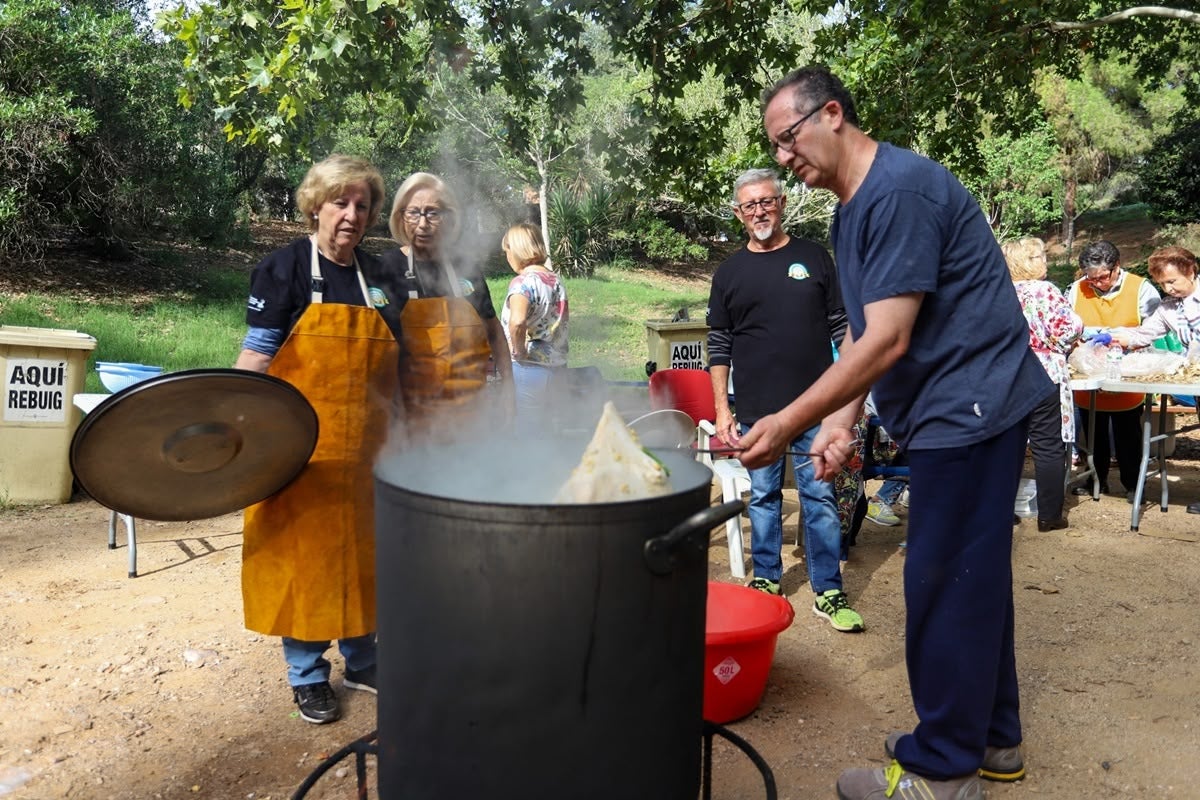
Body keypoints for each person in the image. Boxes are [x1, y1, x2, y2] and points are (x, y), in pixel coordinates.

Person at [744, 66, 1053, 798]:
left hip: (972, 411)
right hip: (952, 414)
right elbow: (863, 328)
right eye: (775, 146)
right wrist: (840, 423)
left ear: (833, 115)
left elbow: (887, 339)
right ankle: (990, 738)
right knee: (972, 581)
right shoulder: (851, 211)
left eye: (788, 138)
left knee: (942, 584)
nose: (783, 157)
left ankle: (943, 770)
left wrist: (790, 420)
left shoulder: (899, 193)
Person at [233, 154, 401, 724]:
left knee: (366, 556)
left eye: (362, 204)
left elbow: (396, 365)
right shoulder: (282, 269)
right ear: (315, 206)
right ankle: (306, 673)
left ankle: (363, 661)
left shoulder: (379, 277)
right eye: (340, 202)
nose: (352, 214)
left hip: (370, 452)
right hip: (301, 451)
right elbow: (258, 356)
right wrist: (236, 431)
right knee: (304, 559)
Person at [706, 166, 863, 633]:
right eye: (750, 205)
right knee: (763, 496)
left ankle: (828, 588)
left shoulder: (814, 258)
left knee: (820, 495)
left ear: (782, 204)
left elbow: (843, 328)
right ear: (738, 213)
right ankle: (767, 579)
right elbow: (719, 343)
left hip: (816, 407)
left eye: (766, 201)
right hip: (757, 411)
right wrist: (722, 409)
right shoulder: (729, 273)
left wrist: (846, 399)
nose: (759, 211)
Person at [379, 172, 513, 438]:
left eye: (433, 213)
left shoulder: (466, 268)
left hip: (468, 419)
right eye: (413, 213)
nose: (423, 223)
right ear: (400, 217)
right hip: (407, 424)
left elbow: (494, 332)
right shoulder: (384, 269)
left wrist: (509, 392)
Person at [1067, 241, 1160, 502]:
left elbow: (1155, 330)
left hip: (1127, 370)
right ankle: (1095, 479)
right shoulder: (1076, 290)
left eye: (1102, 277)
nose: (1097, 283)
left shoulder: (1141, 289)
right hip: (1089, 371)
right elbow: (1069, 327)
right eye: (1091, 278)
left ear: (1116, 267)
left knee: (1127, 431)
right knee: (1092, 430)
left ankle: (1133, 483)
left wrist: (1122, 338)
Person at [1109, 245, 1200, 513]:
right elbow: (1144, 334)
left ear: (1191, 271)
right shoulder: (1168, 307)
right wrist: (1115, 337)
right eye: (1162, 284)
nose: (1168, 288)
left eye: (1172, 281)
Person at [1002, 237, 1084, 531]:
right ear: (1029, 262)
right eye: (1040, 257)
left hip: (1006, 372)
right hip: (1043, 371)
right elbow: (1066, 330)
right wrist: (1078, 327)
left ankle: (1001, 511)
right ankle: (1049, 516)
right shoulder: (1044, 290)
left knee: (1007, 445)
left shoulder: (998, 291)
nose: (1045, 262)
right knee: (1047, 445)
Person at [499, 222, 569, 435]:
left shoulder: (522, 283)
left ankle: (530, 457)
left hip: (529, 368)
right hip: (558, 365)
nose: (506, 257)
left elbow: (518, 322)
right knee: (552, 427)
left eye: (507, 251)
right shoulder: (555, 280)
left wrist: (518, 351)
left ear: (517, 250)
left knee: (528, 429)